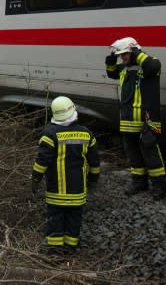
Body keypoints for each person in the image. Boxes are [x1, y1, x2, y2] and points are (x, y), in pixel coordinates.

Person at [32, 96, 100, 255]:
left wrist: (35, 178)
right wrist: (93, 180)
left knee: (55, 219)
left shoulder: (49, 134)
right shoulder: (87, 134)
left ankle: (54, 252)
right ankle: (70, 247)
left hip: (57, 192)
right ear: (73, 111)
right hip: (78, 192)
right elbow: (95, 162)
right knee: (74, 220)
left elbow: (42, 161)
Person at [105, 37, 166, 199]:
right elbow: (111, 73)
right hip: (127, 120)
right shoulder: (125, 68)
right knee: (133, 154)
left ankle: (159, 187)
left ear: (134, 51)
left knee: (150, 153)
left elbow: (151, 67)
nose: (122, 58)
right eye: (120, 55)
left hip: (146, 120)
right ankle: (139, 182)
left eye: (125, 54)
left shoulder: (150, 64)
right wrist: (110, 60)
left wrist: (137, 53)